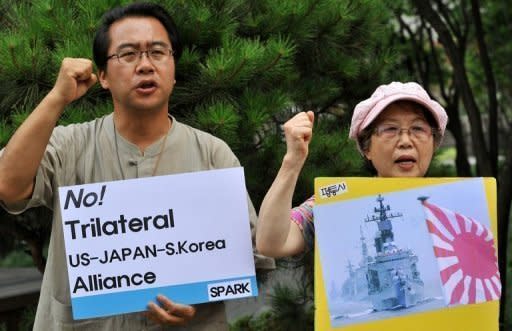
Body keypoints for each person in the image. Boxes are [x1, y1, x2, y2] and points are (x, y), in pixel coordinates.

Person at [0, 3, 273, 330]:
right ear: (102, 75)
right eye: (128, 55)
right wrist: (57, 97)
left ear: (173, 68)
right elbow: (8, 185)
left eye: (158, 52)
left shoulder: (213, 155)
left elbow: (250, 258)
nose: (145, 65)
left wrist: (199, 300)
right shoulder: (69, 145)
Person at [256, 81, 448, 257]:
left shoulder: (456, 205)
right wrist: (292, 162)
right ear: (366, 147)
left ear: (433, 143)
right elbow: (271, 244)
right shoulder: (338, 200)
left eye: (418, 129)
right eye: (390, 129)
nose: (406, 141)